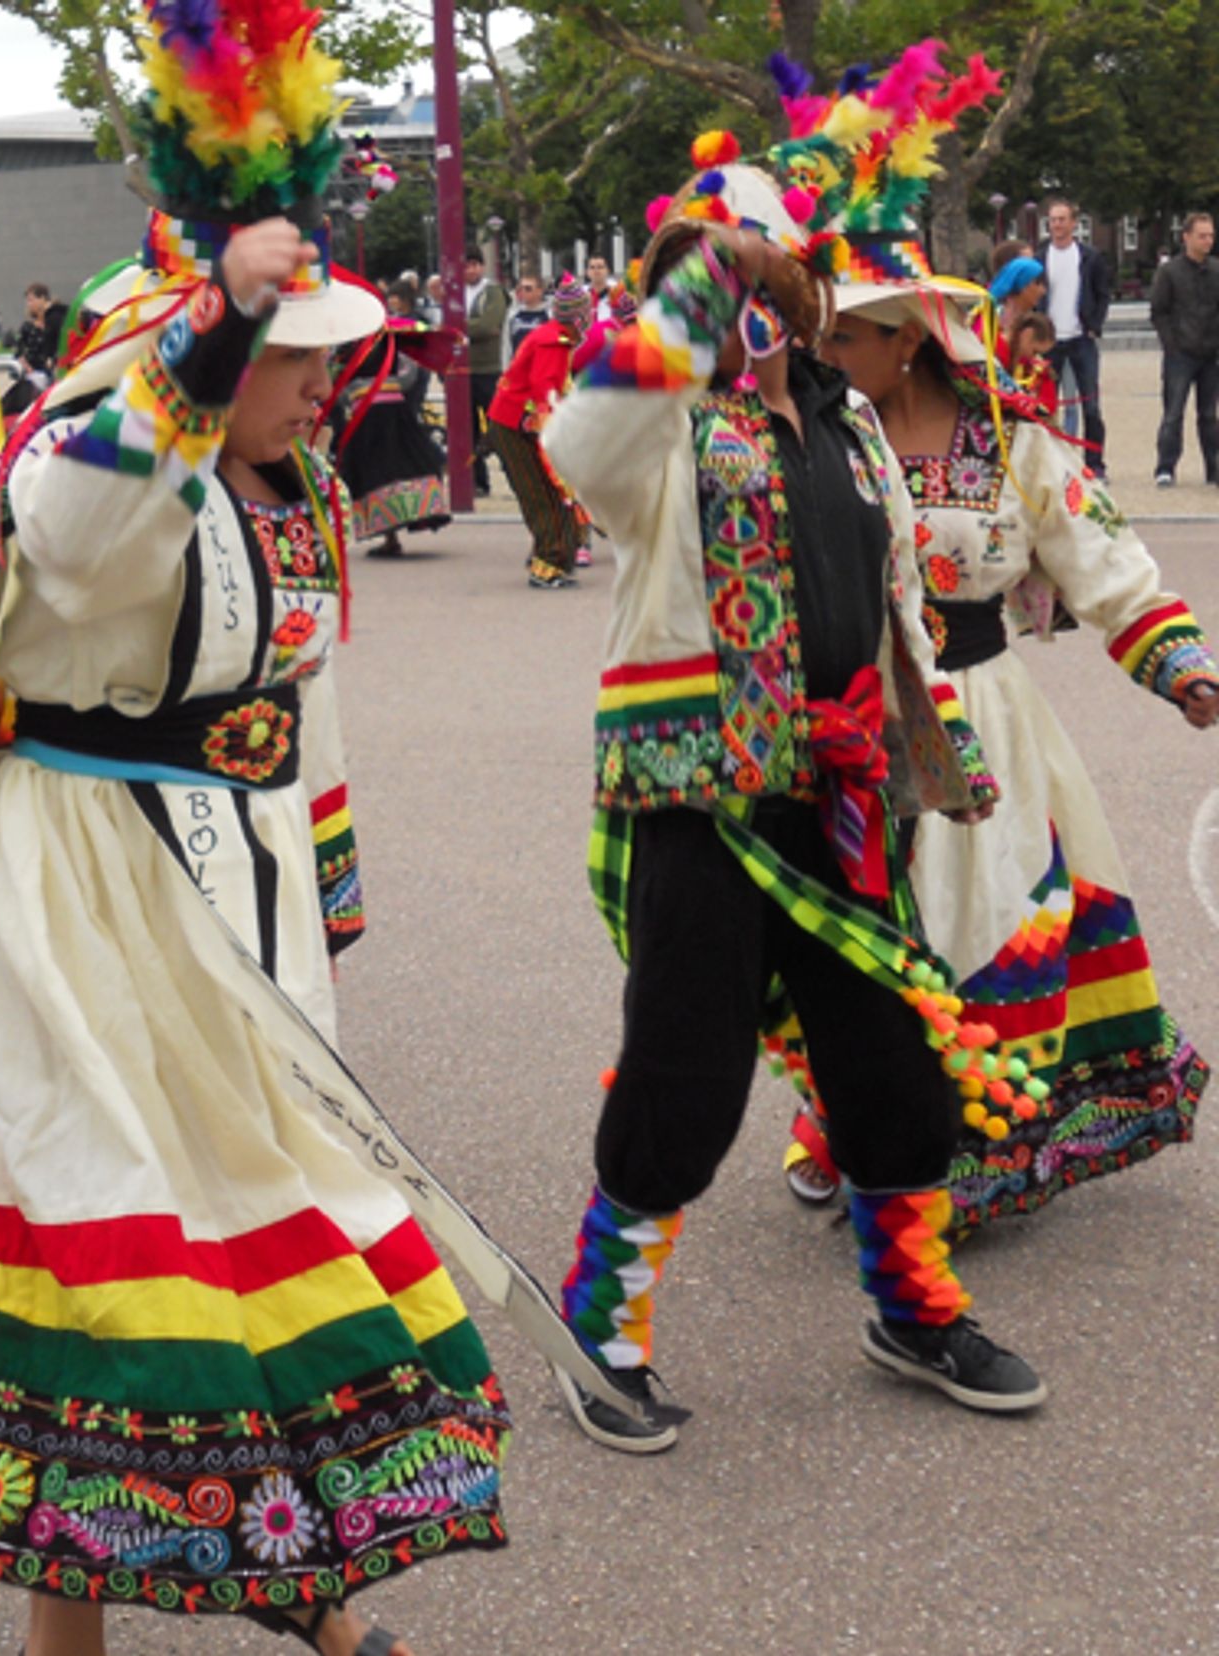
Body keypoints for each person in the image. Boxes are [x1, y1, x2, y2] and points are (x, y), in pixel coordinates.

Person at [0, 9, 511, 1649]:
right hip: (71, 904)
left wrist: (318, 878)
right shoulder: (104, 443)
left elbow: (285, 719)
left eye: (323, 345)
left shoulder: (287, 486)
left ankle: (296, 1581)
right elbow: (72, 524)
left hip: (223, 897)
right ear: (196, 350)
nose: (328, 375)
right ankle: (167, 1620)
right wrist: (206, 344)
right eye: (296, 349)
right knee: (104, 1238)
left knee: (249, 1214)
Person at [542, 72, 1044, 1455]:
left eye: (766, 274)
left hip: (840, 799)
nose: (747, 301)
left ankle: (910, 1302)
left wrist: (918, 742)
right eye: (710, 282)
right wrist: (705, 281)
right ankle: (601, 1326)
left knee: (891, 1064)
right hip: (704, 803)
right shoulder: (652, 436)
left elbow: (892, 605)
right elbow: (575, 437)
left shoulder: (847, 419)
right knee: (685, 1075)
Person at [784, 230, 1217, 1230]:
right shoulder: (815, 438)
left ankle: (976, 1144)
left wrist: (1179, 667)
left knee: (981, 919)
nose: (827, 351)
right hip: (853, 721)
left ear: (906, 340)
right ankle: (842, 1124)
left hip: (979, 716)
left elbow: (1101, 561)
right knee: (856, 930)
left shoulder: (1012, 441)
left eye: (844, 335)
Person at [330, 282, 454, 558]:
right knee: (379, 471)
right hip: (372, 413)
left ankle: (392, 534)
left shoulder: (387, 336)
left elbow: (408, 372)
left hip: (384, 412)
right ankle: (390, 536)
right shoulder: (352, 342)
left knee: (389, 468)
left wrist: (373, 387)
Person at [487, 273, 588, 587]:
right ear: (577, 317)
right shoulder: (552, 342)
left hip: (519, 422)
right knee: (543, 494)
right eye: (586, 313)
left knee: (544, 493)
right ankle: (548, 564)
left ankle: (551, 554)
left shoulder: (553, 336)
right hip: (518, 424)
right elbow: (545, 393)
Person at [1036, 198, 1113, 476]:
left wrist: (1094, 323)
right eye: (1053, 220)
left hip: (1081, 339)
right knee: (1044, 406)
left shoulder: (1089, 257)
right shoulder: (1039, 257)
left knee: (1090, 405)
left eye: (1062, 219)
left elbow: (1103, 292)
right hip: (1050, 342)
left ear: (1073, 223)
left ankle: (1094, 463)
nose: (1057, 225)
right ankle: (1048, 464)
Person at [1149, 211, 1219, 488]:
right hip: (1181, 354)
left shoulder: (1216, 271)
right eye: (1202, 236)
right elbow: (1159, 311)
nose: (1208, 241)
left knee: (1209, 415)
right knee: (1173, 413)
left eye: (1211, 235)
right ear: (1186, 237)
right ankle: (1165, 467)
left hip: (1210, 354)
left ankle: (1213, 468)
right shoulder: (1170, 272)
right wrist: (1172, 345)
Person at [462, 251, 503, 492]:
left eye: (475, 265)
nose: (471, 270)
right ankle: (478, 481)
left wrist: (461, 328)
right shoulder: (456, 292)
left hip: (488, 368)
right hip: (463, 370)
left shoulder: (493, 292)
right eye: (467, 265)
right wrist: (474, 328)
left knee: (498, 425)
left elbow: (489, 324)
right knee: (467, 430)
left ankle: (512, 473)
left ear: (483, 267)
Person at [1007, 312, 1060, 420]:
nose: (1035, 358)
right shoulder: (1000, 351)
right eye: (1035, 351)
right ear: (1027, 335)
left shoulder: (1030, 365)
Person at [14, 281, 59, 379]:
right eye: (27, 301)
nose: (28, 304)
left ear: (42, 299)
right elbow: (19, 352)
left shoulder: (56, 323)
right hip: (33, 376)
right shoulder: (27, 327)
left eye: (31, 300)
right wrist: (28, 369)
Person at [503, 271, 548, 360]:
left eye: (528, 289)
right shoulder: (512, 314)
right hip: (519, 367)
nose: (523, 292)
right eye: (521, 288)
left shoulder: (549, 315)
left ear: (539, 291)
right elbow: (506, 347)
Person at [585, 253, 615, 325]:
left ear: (608, 270)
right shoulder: (580, 296)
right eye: (592, 267)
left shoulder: (617, 295)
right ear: (587, 272)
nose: (596, 270)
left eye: (600, 267)